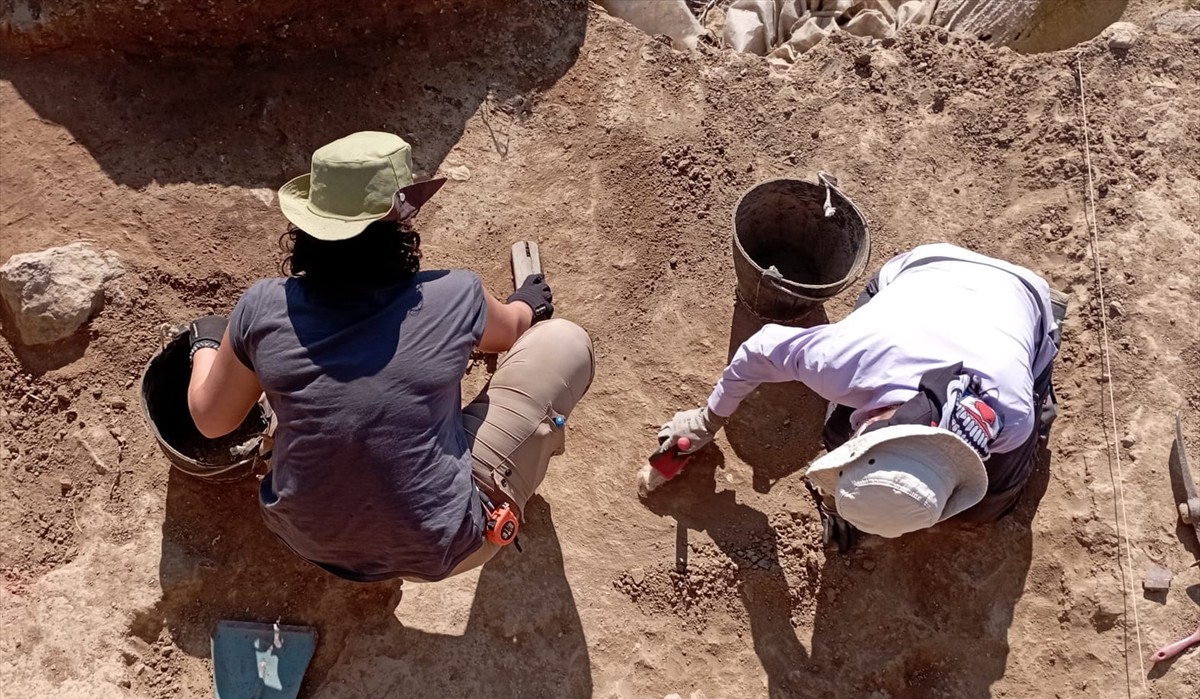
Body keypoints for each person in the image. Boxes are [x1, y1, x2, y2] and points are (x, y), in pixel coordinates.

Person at [185, 131, 595, 582]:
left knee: (291, 387)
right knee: (564, 342)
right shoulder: (455, 294)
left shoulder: (261, 308)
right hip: (444, 546)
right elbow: (510, 332)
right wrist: (526, 303)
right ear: (402, 218)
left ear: (308, 224)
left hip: (309, 539)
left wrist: (207, 345)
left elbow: (211, 421)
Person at [657, 243, 1062, 547]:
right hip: (924, 269)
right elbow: (759, 349)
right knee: (834, 432)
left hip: (1026, 302)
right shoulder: (846, 357)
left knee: (995, 498)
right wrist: (707, 420)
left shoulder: (1011, 417)